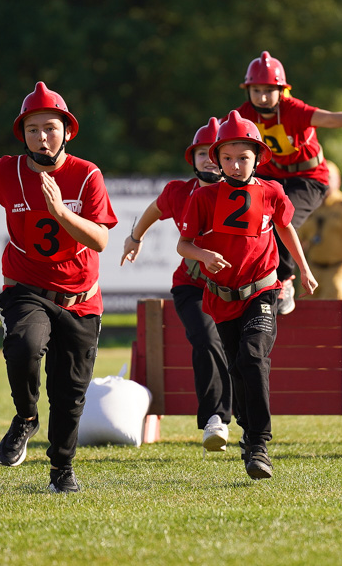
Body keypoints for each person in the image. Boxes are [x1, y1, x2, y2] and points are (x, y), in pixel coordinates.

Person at [0, 82, 117, 493]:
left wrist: (60, 210)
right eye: (32, 129)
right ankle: (26, 418)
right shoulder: (4, 170)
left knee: (69, 393)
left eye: (49, 128)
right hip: (26, 286)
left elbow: (99, 240)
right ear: (22, 134)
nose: (41, 137)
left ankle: (61, 470)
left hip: (81, 297)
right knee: (24, 346)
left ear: (67, 131)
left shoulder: (86, 175)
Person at [177, 109, 318, 479]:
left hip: (263, 290)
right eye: (227, 157)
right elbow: (183, 245)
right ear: (216, 159)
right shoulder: (205, 197)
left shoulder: (273, 191)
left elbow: (287, 230)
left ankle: (259, 444)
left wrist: (303, 268)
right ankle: (247, 433)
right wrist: (204, 254)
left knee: (253, 356)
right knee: (237, 365)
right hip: (222, 298)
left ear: (257, 157)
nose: (236, 165)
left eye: (243, 157)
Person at [235, 51, 342, 314]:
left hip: (307, 179)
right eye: (256, 91)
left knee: (281, 221)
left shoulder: (293, 110)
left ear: (281, 90)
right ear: (248, 91)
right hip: (272, 177)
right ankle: (251, 278)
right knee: (250, 223)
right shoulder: (244, 114)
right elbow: (221, 136)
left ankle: (285, 281)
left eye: (268, 90)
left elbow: (330, 118)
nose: (262, 97)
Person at [120, 117, 231, 453]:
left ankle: (252, 427)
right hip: (193, 286)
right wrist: (135, 236)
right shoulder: (180, 192)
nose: (208, 159)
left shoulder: (249, 191)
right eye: (201, 153)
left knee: (243, 351)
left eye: (216, 152)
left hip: (239, 289)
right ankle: (216, 420)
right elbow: (155, 210)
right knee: (206, 338)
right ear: (192, 159)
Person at [298, 160, 342, 299]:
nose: (326, 182)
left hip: (339, 270)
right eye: (322, 178)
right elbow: (299, 241)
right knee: (306, 311)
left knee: (333, 311)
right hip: (312, 269)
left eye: (329, 178)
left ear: (338, 181)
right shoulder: (310, 206)